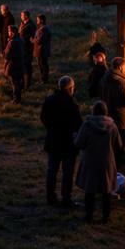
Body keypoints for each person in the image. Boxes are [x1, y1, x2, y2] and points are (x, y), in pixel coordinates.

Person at [74, 101, 123, 223]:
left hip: (90, 161)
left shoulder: (87, 125)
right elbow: (119, 145)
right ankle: (106, 216)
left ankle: (89, 215)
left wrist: (75, 137)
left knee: (90, 190)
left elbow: (78, 143)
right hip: (106, 161)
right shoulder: (112, 126)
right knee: (106, 191)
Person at [42, 76, 83, 207]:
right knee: (67, 173)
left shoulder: (49, 100)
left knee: (52, 171)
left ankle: (50, 197)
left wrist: (51, 128)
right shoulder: (72, 105)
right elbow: (78, 124)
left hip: (53, 141)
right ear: (70, 88)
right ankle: (66, 198)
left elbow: (43, 118)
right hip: (67, 144)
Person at [101, 56, 125, 161]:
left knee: (111, 141)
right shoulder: (121, 82)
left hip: (109, 113)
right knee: (120, 142)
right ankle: (117, 164)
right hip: (121, 118)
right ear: (121, 67)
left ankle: (110, 161)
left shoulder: (106, 77)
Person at [3, 25, 26, 104]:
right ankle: (18, 97)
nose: (8, 33)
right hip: (20, 64)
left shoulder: (12, 42)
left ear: (12, 32)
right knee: (18, 82)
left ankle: (16, 99)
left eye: (9, 31)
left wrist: (2, 53)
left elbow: (7, 55)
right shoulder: (20, 39)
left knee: (15, 83)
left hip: (13, 66)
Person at [32, 14, 52, 85]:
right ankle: (43, 79)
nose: (36, 21)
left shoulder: (44, 29)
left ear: (41, 20)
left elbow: (40, 40)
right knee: (43, 65)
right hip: (41, 50)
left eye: (38, 19)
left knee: (43, 66)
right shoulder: (43, 28)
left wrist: (32, 40)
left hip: (41, 51)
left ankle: (44, 80)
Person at [18, 11, 36, 87]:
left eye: (22, 15)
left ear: (25, 16)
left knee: (27, 66)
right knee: (23, 66)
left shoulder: (30, 25)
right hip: (23, 48)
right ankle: (23, 83)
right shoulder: (23, 23)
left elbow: (31, 37)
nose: (21, 16)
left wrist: (21, 38)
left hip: (27, 48)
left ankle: (27, 84)